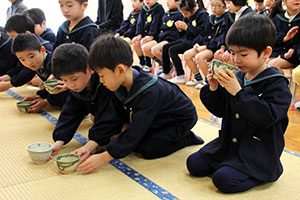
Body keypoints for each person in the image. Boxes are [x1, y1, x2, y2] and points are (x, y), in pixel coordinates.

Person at [186, 14, 292, 193]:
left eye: (243, 54)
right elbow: (221, 111)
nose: (236, 60)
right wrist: (213, 88)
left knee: (223, 180)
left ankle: (265, 172)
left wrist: (239, 92)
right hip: (230, 142)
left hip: (257, 149)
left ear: (266, 53)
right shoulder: (239, 76)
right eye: (233, 53)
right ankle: (230, 165)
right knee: (194, 164)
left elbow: (266, 117)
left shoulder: (276, 82)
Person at [76, 35, 204, 174]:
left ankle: (186, 137)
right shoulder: (118, 83)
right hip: (156, 116)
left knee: (148, 149)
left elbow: (136, 131)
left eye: (102, 76)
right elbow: (111, 116)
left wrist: (104, 157)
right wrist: (91, 145)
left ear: (120, 70)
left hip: (178, 119)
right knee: (124, 135)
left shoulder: (149, 91)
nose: (101, 81)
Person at [50, 43, 122, 161]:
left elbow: (110, 115)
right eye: (64, 80)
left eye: (74, 79)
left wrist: (92, 143)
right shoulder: (77, 87)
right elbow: (70, 113)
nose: (70, 84)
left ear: (89, 69)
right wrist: (59, 141)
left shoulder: (105, 83)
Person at [8, 33, 69, 112]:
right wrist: (40, 96)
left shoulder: (54, 63)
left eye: (32, 56)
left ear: (42, 50)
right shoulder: (38, 64)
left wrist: (46, 101)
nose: (29, 62)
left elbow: (64, 89)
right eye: (22, 59)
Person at [0, 14, 54, 91]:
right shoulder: (29, 54)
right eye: (22, 59)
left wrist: (8, 84)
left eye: (13, 37)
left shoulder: (45, 50)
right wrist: (6, 78)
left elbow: (27, 73)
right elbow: (20, 68)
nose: (29, 62)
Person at [160, 0, 208, 83]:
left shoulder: (203, 15)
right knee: (165, 47)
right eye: (182, 13)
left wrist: (187, 28)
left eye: (186, 14)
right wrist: (180, 30)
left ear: (193, 9)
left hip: (196, 42)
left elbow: (201, 34)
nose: (184, 16)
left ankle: (180, 75)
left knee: (173, 50)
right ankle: (166, 72)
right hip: (186, 40)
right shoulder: (187, 15)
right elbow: (183, 34)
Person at [183, 0, 227, 89]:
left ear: (225, 7)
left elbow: (221, 38)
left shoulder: (226, 19)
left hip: (215, 47)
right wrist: (197, 43)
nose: (214, 8)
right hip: (205, 45)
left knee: (199, 57)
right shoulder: (210, 18)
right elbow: (203, 33)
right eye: (212, 5)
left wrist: (206, 46)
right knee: (187, 55)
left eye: (218, 6)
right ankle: (198, 77)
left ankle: (208, 81)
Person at [142, 0, 183, 74]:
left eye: (170, 0)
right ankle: (167, 64)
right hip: (161, 38)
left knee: (155, 49)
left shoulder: (179, 15)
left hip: (170, 38)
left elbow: (177, 33)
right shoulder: (167, 13)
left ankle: (167, 66)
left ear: (177, 2)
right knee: (145, 48)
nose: (167, 2)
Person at [267, 0, 300, 74]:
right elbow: (271, 40)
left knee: (271, 65)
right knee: (261, 63)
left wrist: (293, 50)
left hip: (295, 55)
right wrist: (284, 39)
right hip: (278, 52)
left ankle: (281, 84)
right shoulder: (278, 18)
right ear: (284, 1)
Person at [132, 0, 164, 72]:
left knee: (144, 42)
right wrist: (139, 34)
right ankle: (142, 62)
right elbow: (140, 22)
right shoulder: (143, 8)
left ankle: (148, 64)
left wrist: (151, 35)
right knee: (135, 42)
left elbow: (155, 23)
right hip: (145, 34)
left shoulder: (159, 8)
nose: (147, 1)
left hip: (156, 35)